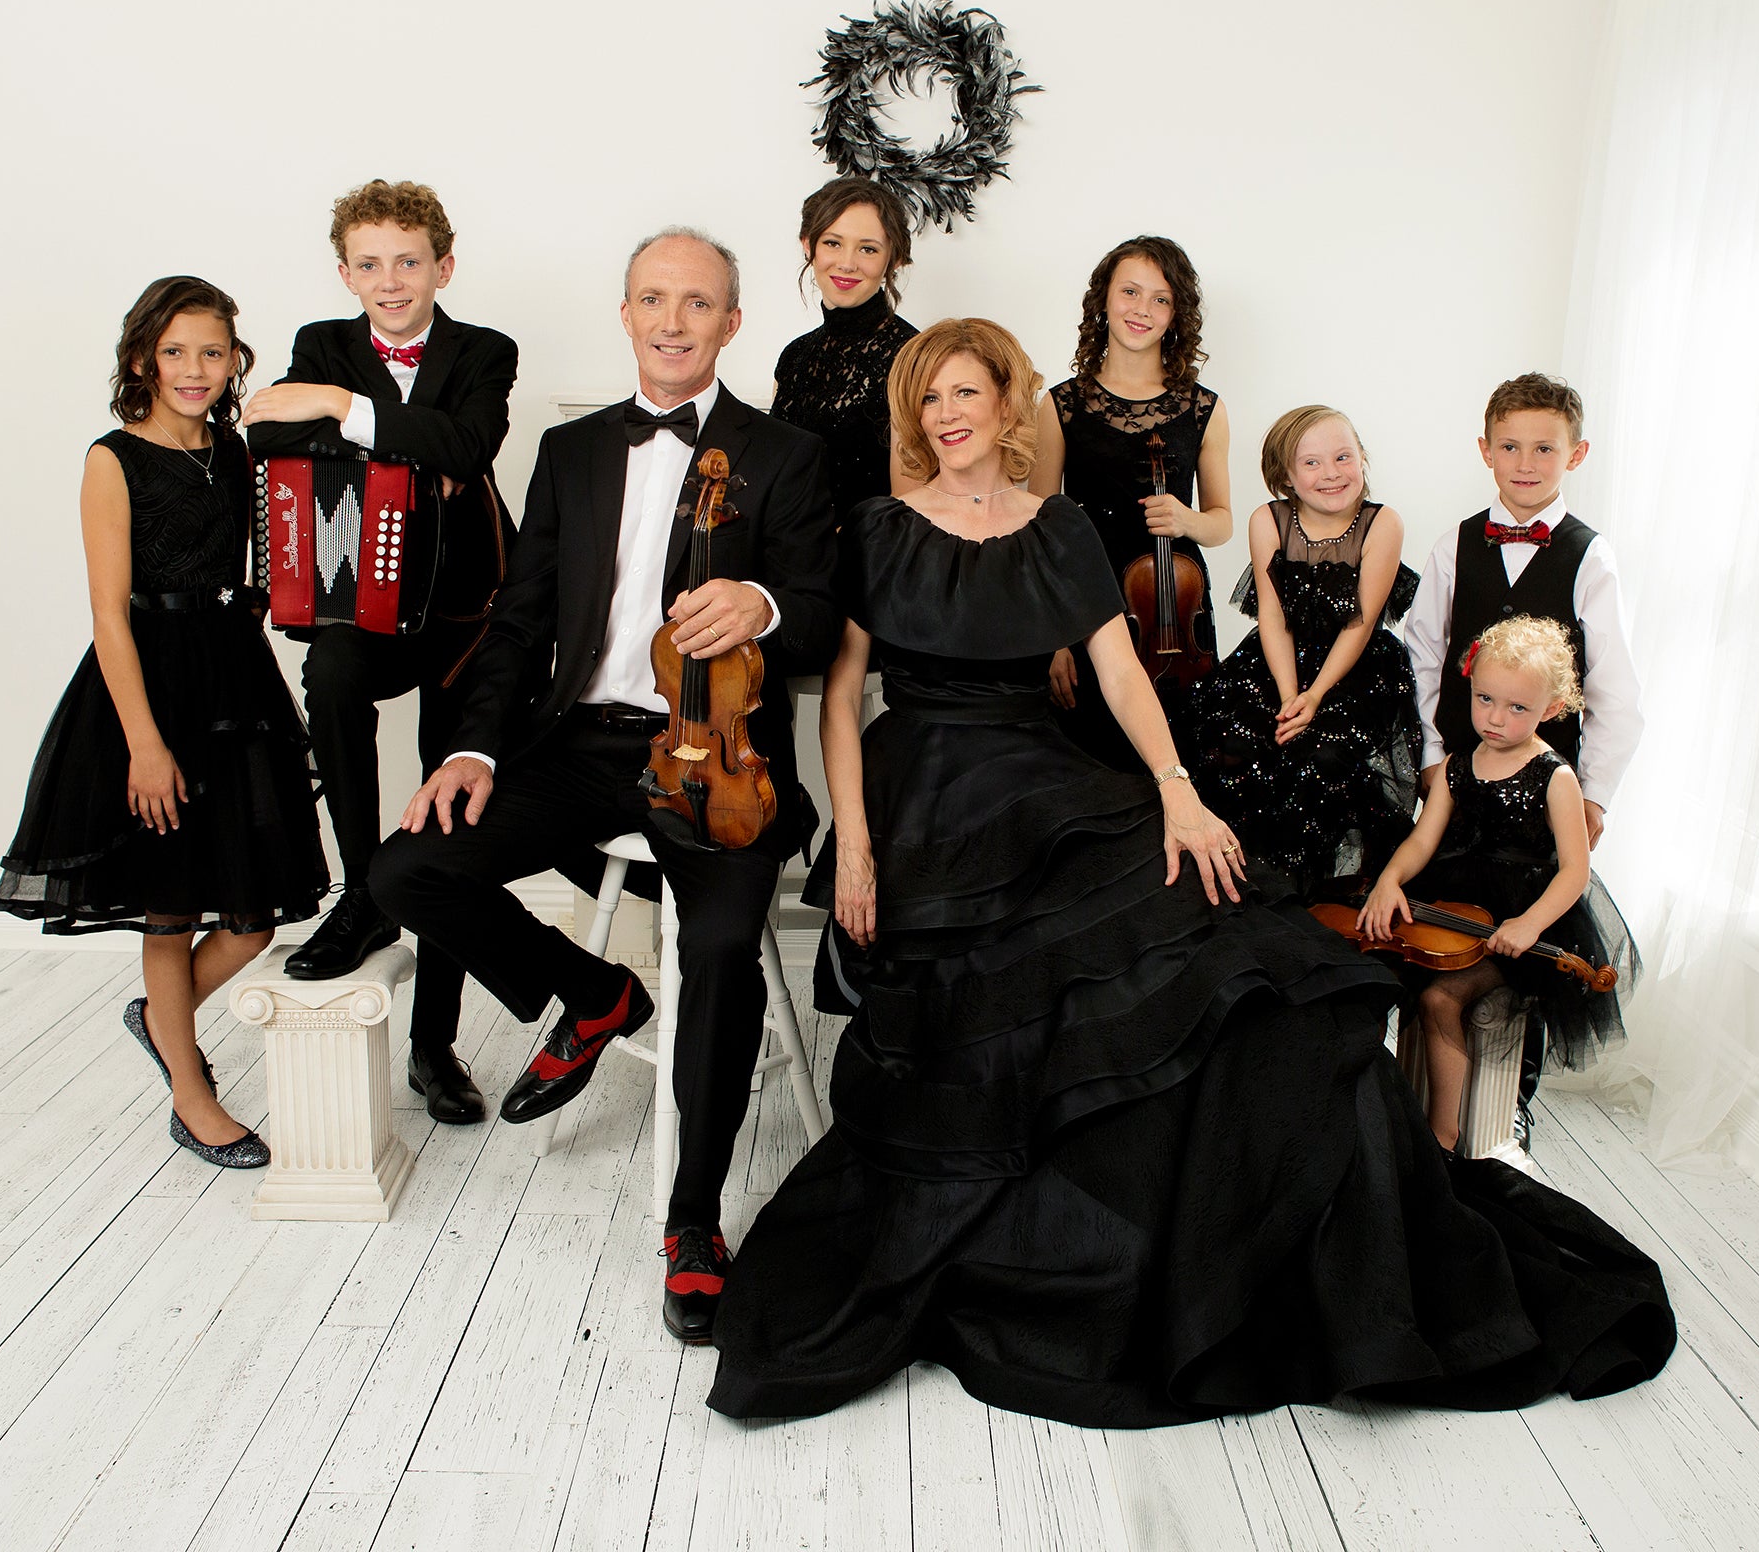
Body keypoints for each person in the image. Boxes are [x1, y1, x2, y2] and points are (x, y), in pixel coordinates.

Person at [708, 319, 1674, 1428]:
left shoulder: (1060, 528)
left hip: (1045, 776)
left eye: (966, 392)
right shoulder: (877, 528)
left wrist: (1175, 789)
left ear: (1007, 403)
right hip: (925, 796)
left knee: (1233, 962)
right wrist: (855, 843)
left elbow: (1120, 673)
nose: (947, 415)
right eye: (929, 399)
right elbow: (841, 700)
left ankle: (1252, 1223)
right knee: (1014, 1011)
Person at [371, 228, 838, 1347]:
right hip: (579, 746)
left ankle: (693, 1220)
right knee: (407, 869)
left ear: (733, 323)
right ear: (626, 314)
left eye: (698, 303)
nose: (673, 321)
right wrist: (475, 751)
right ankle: (593, 994)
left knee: (718, 949)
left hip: (718, 753)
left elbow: (823, 616)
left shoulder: (786, 454)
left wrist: (767, 607)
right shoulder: (571, 451)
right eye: (653, 300)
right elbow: (520, 619)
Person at [0, 276, 328, 1168]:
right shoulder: (114, 459)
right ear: (142, 357)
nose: (193, 368)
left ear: (234, 360)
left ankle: (160, 1018)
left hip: (234, 685)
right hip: (147, 689)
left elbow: (267, 552)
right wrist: (144, 744)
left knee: (252, 916)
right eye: (174, 351)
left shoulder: (237, 451)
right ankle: (191, 1095)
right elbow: (108, 614)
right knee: (169, 910)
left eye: (212, 352)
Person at [244, 180, 518, 1128]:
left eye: (408, 262)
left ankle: (434, 1045)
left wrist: (339, 407)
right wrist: (395, 439)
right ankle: (363, 892)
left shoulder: (484, 351)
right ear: (345, 273)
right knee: (330, 675)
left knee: (448, 817)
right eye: (370, 264)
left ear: (445, 266)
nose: (391, 280)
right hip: (358, 601)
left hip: (465, 614)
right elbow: (268, 430)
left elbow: (469, 443)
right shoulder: (322, 341)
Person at [1398, 371, 1644, 1132]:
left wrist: (1593, 793)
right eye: (1510, 446)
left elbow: (1617, 694)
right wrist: (1433, 754)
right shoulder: (1455, 544)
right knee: (1440, 938)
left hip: (1538, 795)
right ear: (1485, 450)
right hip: (1459, 784)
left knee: (1524, 951)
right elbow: (1422, 657)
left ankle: (1513, 1111)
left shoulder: (1590, 557)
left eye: (1545, 448)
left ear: (1577, 455)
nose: (1526, 463)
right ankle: (1423, 1107)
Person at [1359, 617, 1634, 1152]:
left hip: (1517, 921)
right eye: (1484, 699)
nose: (1495, 718)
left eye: (1517, 708)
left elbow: (1575, 871)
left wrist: (1529, 925)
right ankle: (1369, 1110)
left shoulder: (1555, 777)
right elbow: (1422, 841)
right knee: (1370, 972)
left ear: (1551, 709)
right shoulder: (1458, 767)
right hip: (1452, 908)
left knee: (1440, 998)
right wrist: (1390, 879)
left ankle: (1442, 1135)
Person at [1178, 406, 1421, 895]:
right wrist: (1291, 695)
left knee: (1320, 759)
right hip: (1278, 662)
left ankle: (1314, 893)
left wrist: (1314, 696)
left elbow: (1359, 622)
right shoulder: (1268, 521)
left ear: (1362, 459)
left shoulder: (1383, 523)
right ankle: (1241, 875)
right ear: (1285, 475)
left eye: (1343, 457)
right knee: (1234, 741)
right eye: (1312, 463)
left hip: (1354, 668)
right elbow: (1272, 616)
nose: (1331, 473)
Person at [1032, 235, 1232, 770]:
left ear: (1176, 314)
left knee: (1184, 758)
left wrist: (1187, 519)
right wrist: (1053, 640)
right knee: (1094, 761)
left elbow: (1222, 524)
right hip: (1088, 609)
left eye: (1161, 298)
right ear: (1104, 299)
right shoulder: (1060, 406)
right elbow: (1037, 536)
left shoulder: (1204, 409)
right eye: (1130, 292)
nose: (1143, 309)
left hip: (1176, 611)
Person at [768, 177, 919, 525]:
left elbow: (908, 510)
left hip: (870, 551)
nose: (847, 263)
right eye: (833, 243)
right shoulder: (793, 357)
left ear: (894, 259)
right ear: (808, 245)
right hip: (790, 549)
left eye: (868, 249)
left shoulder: (912, 357)